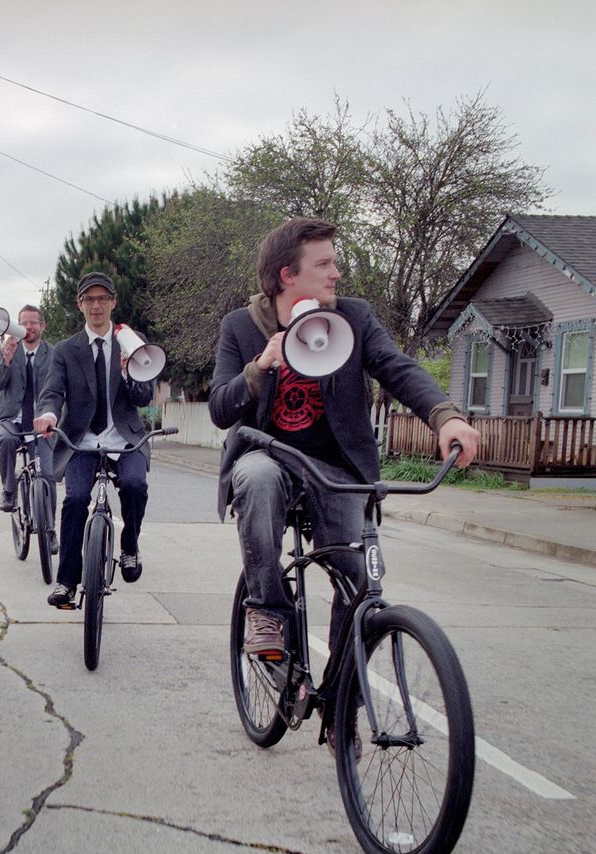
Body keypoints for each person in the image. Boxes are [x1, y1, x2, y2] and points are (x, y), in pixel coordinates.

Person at [210, 216, 479, 719]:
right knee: (257, 478)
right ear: (288, 275)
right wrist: (259, 368)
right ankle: (267, 611)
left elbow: (398, 368)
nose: (336, 273)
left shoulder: (353, 317)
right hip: (269, 455)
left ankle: (340, 701)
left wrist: (446, 417)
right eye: (324, 264)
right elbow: (220, 409)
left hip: (336, 468)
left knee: (357, 575)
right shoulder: (241, 326)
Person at [33, 272, 155, 609]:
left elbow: (144, 397)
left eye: (102, 298)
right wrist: (49, 415)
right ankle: (67, 582)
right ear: (80, 304)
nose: (96, 305)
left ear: (113, 302)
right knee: (74, 500)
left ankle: (129, 547)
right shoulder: (66, 350)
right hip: (81, 441)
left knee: (134, 485)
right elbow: (52, 391)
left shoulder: (131, 340)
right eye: (89, 299)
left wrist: (130, 371)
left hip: (124, 439)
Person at [0, 304, 56, 548]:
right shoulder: (10, 350)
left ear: (42, 326)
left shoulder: (53, 354)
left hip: (42, 422)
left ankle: (50, 530)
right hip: (10, 418)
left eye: (33, 322)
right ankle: (8, 490)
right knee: (5, 439)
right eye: (24, 323)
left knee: (47, 473)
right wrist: (5, 361)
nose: (28, 327)